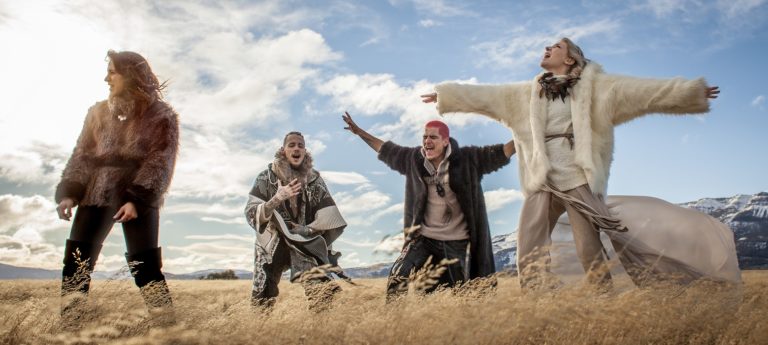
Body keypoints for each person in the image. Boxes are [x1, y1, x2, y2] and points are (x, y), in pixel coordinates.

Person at [423, 37, 730, 289]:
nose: (547, 48)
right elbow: (482, 96)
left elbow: (645, 94)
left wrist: (690, 93)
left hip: (577, 178)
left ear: (570, 59)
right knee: (529, 248)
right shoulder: (525, 93)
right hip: (542, 179)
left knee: (588, 248)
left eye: (555, 47)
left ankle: (604, 297)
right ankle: (539, 303)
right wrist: (445, 94)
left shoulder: (599, 90)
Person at [55, 50, 179, 313]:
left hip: (137, 197)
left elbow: (161, 161)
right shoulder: (97, 112)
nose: (106, 78)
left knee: (145, 268)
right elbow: (82, 154)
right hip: (94, 193)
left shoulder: (161, 115)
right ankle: (69, 333)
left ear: (130, 75)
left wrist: (137, 200)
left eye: (112, 72)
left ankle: (169, 331)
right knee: (75, 268)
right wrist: (69, 192)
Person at [342, 112, 515, 299]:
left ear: (446, 141)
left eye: (433, 137)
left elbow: (503, 151)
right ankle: (393, 321)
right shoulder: (414, 160)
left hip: (457, 243)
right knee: (398, 274)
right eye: (425, 137)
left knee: (465, 292)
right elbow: (384, 149)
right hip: (424, 240)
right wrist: (359, 132)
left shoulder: (468, 160)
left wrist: (529, 131)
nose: (427, 141)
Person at [244, 131, 348, 311]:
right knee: (262, 295)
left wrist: (308, 229)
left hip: (304, 241)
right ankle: (259, 332)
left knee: (321, 293)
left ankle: (322, 333)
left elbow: (328, 215)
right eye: (291, 145)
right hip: (273, 242)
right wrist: (277, 198)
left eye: (300, 145)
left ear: (305, 151)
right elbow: (250, 212)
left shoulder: (314, 179)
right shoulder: (266, 177)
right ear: (283, 150)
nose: (296, 148)